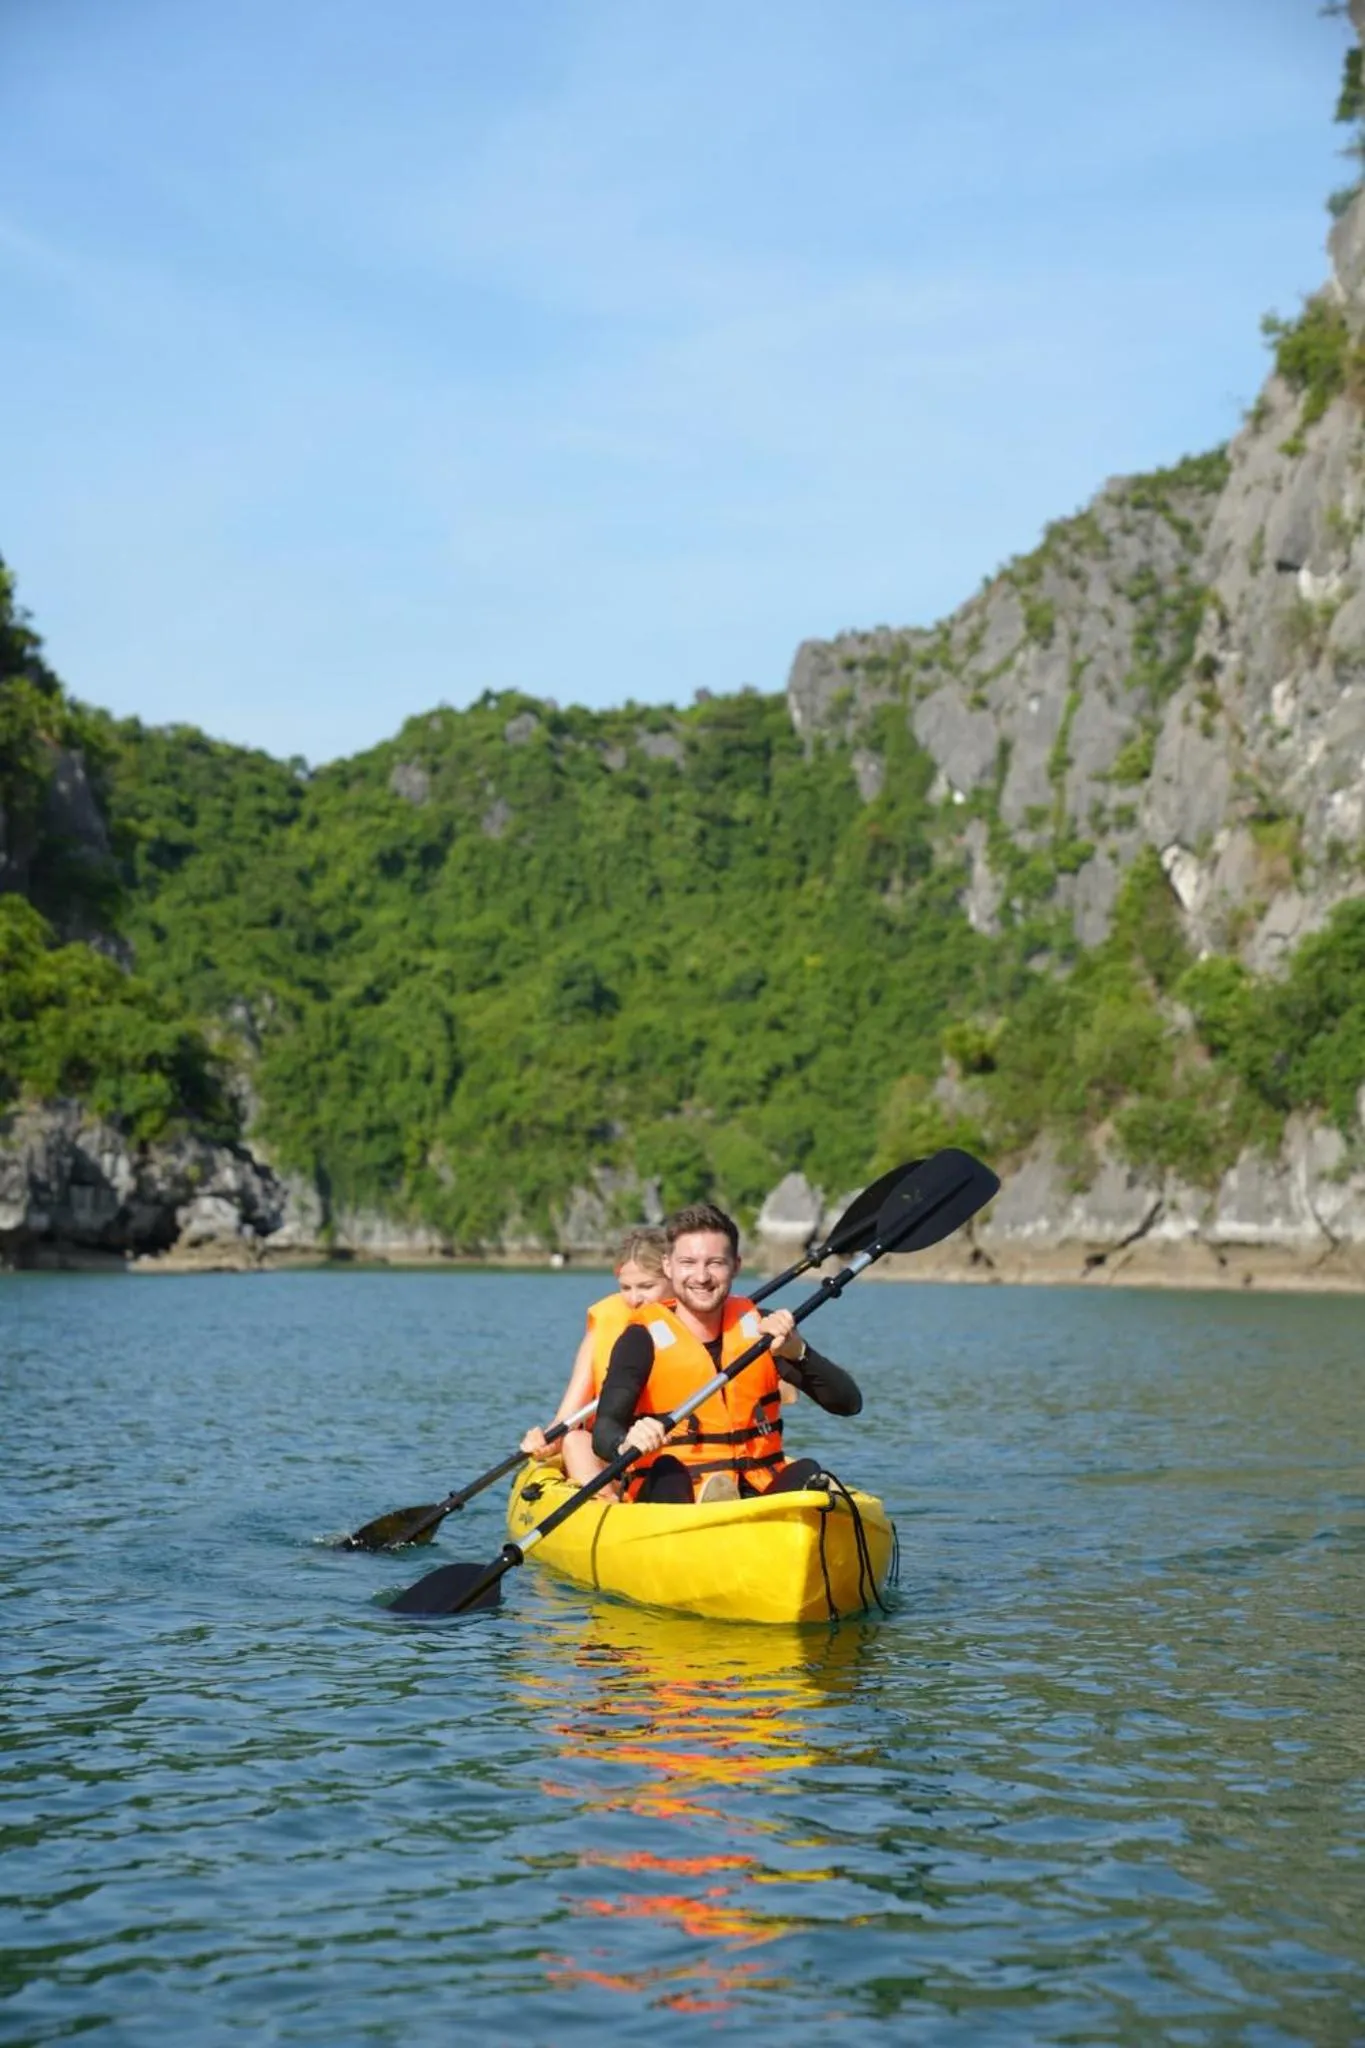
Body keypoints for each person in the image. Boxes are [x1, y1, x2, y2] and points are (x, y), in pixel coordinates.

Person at [592, 1201, 862, 1504]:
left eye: (715, 1263)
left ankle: (746, 1514)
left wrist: (798, 1351)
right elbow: (604, 1429)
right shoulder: (641, 1339)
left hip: (757, 1494)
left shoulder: (764, 1332)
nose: (702, 1276)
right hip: (673, 1496)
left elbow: (848, 1403)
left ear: (736, 1265)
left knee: (807, 1471)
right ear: (668, 1266)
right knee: (667, 1470)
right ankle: (710, 1509)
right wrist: (625, 1441)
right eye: (688, 1263)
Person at [520, 1225, 670, 1492]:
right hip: (612, 1457)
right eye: (626, 1287)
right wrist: (543, 1441)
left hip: (670, 1452)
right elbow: (567, 1417)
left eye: (647, 1286)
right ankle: (608, 1504)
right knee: (574, 1441)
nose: (635, 1299)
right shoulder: (603, 1330)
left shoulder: (694, 1326)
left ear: (672, 1277)